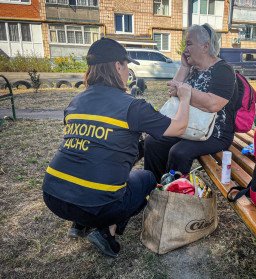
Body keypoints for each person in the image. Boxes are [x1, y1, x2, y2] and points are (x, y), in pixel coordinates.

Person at [42, 37, 192, 258]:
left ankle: (79, 224)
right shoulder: (132, 106)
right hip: (97, 205)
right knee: (148, 178)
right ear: (117, 66)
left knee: (89, 161)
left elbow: (93, 146)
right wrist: (185, 96)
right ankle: (107, 231)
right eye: (127, 65)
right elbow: (178, 128)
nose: (128, 71)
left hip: (53, 196)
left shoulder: (75, 102)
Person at [144, 23, 238, 182]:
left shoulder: (223, 70)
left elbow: (213, 104)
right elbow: (173, 91)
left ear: (205, 46)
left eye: (189, 44)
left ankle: (173, 196)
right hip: (190, 126)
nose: (184, 49)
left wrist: (186, 92)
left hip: (214, 133)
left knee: (179, 152)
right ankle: (152, 186)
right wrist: (184, 67)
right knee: (152, 141)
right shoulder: (193, 68)